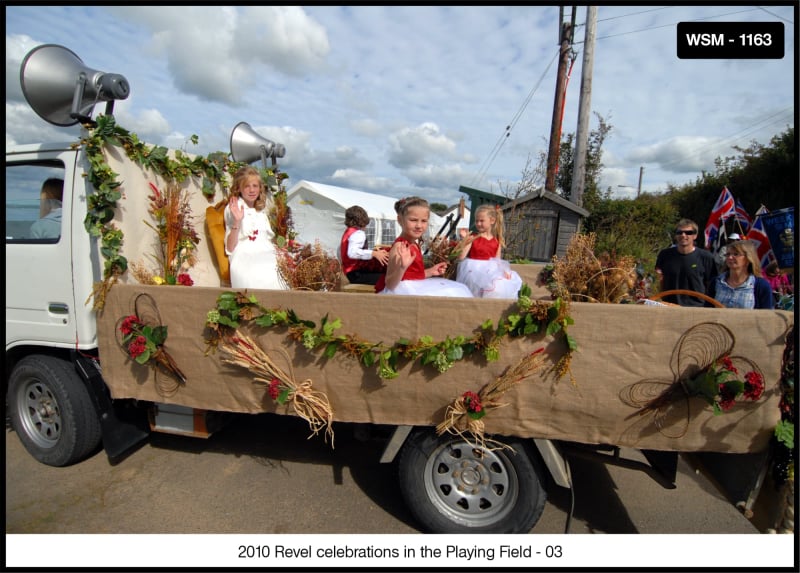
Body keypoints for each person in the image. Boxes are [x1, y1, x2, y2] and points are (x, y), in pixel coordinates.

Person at [375, 196, 473, 297]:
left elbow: (412, 275)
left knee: (458, 290)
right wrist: (402, 268)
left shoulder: (414, 244)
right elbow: (390, 284)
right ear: (400, 220)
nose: (419, 225)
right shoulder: (400, 247)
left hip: (414, 287)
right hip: (403, 292)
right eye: (413, 220)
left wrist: (431, 271)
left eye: (424, 221)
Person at [224, 166, 286, 290]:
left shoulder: (261, 211)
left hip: (266, 251)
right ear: (239, 188)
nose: (252, 190)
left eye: (255, 186)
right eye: (247, 186)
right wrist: (237, 221)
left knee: (287, 267)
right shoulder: (234, 208)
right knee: (265, 272)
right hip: (245, 255)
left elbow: (266, 239)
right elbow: (230, 248)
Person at [455, 204, 522, 299]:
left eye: (481, 221)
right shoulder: (472, 237)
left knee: (496, 288)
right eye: (477, 221)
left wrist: (504, 271)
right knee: (474, 293)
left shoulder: (496, 241)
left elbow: (498, 260)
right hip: (473, 270)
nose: (478, 223)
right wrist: (465, 240)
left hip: (491, 270)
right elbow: (461, 257)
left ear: (492, 221)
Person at [654, 218, 718, 306]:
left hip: (697, 307)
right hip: (669, 306)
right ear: (676, 235)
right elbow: (658, 280)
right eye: (679, 232)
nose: (683, 235)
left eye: (688, 233)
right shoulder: (665, 255)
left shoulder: (706, 257)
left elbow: (711, 284)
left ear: (695, 236)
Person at [709, 239, 773, 309]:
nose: (730, 257)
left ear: (748, 259)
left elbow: (766, 315)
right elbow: (707, 311)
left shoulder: (760, 286)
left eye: (736, 254)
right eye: (728, 254)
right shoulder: (716, 282)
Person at [340, 205, 389, 285]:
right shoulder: (358, 233)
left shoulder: (348, 232)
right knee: (390, 279)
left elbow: (342, 252)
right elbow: (352, 252)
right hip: (357, 274)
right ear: (362, 220)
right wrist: (374, 253)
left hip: (350, 273)